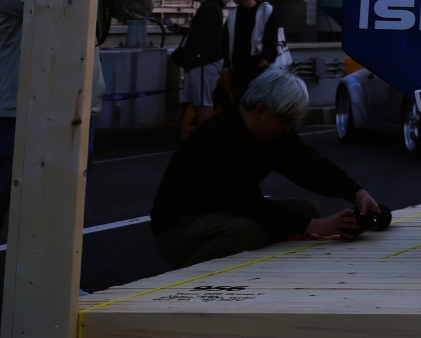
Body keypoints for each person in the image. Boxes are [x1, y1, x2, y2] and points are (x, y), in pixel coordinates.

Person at [150, 66, 384, 268]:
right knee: (249, 232)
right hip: (179, 229)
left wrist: (357, 193)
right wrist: (318, 227)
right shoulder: (215, 139)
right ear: (260, 110)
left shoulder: (272, 133)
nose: (288, 129)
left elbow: (312, 167)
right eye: (285, 120)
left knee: (308, 210)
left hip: (224, 211)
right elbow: (247, 203)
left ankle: (248, 258)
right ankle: (190, 272)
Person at [0, 0, 153, 221]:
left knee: (62, 209)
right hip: (19, 112)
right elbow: (52, 6)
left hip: (76, 111)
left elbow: (138, 7)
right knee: (5, 198)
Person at [170, 0, 228, 135]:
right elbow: (205, 33)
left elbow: (207, 36)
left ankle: (206, 138)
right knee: (197, 101)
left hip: (203, 61)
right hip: (201, 61)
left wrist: (193, 54)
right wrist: (183, 30)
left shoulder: (208, 8)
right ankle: (204, 136)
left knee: (203, 102)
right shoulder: (211, 7)